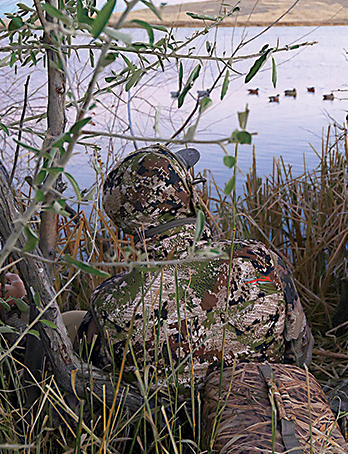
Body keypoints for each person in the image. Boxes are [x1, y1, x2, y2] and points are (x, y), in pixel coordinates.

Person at [76, 144, 312, 388]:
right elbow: (299, 353)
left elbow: (98, 380)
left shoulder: (112, 300)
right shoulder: (260, 260)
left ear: (125, 221)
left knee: (73, 320)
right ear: (189, 198)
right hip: (255, 414)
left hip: (160, 422)